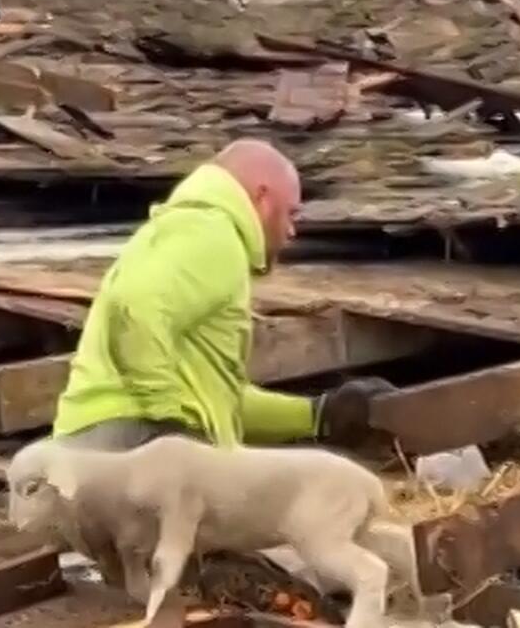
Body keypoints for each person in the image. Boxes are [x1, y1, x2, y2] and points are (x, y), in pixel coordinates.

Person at [49, 138, 400, 595]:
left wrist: (319, 414)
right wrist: (171, 431)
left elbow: (220, 401)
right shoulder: (212, 234)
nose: (293, 231)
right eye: (291, 213)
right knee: (251, 587)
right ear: (260, 196)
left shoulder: (183, 234)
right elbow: (132, 311)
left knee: (196, 595)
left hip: (89, 468)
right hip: (126, 450)